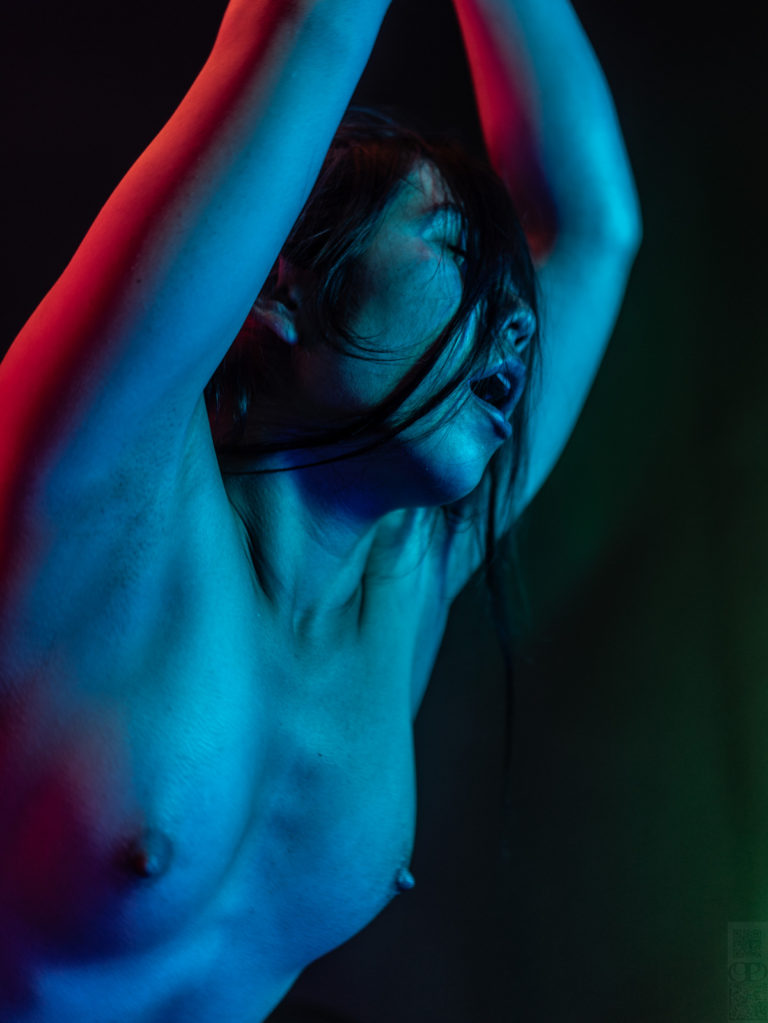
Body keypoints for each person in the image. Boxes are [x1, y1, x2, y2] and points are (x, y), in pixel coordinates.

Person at [0, 0, 640, 1019]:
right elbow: (309, 25)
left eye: (516, 302)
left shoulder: (405, 576)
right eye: (454, 245)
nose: (520, 325)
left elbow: (594, 229)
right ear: (281, 291)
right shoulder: (110, 484)